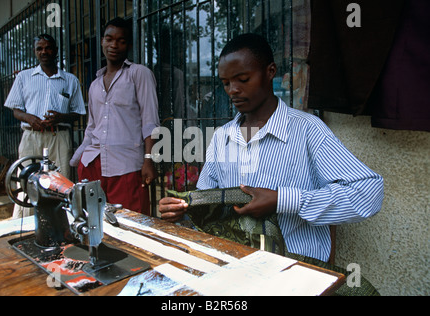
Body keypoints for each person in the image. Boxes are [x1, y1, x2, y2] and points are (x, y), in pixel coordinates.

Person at [159, 33, 384, 264]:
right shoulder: (221, 137)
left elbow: (368, 193)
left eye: (243, 79)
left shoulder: (307, 130)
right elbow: (208, 202)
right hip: (237, 262)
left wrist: (283, 200)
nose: (232, 90)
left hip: (296, 268)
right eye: (226, 83)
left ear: (270, 71)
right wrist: (184, 208)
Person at [70, 18, 159, 216]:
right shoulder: (94, 85)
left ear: (128, 45)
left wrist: (148, 160)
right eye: (109, 39)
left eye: (121, 41)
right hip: (93, 164)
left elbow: (150, 121)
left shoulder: (139, 74)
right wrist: (78, 160)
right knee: (95, 222)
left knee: (131, 224)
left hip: (126, 165)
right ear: (102, 41)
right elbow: (91, 128)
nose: (114, 45)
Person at [4, 33, 86, 218]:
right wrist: (29, 118)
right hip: (31, 136)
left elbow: (78, 112)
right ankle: (23, 226)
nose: (44, 52)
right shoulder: (24, 77)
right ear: (35, 52)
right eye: (39, 48)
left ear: (55, 51)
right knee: (26, 181)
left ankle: (61, 227)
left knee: (61, 182)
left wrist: (60, 117)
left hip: (59, 137)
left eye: (48, 48)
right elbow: (15, 110)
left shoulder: (70, 80)